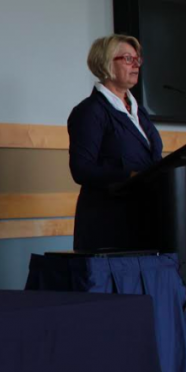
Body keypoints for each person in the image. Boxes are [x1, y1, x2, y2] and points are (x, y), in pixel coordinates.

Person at [68, 34, 163, 250]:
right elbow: (81, 169)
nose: (136, 64)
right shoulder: (90, 112)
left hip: (145, 219)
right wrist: (128, 175)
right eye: (128, 59)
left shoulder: (140, 112)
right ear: (106, 63)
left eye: (137, 59)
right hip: (108, 225)